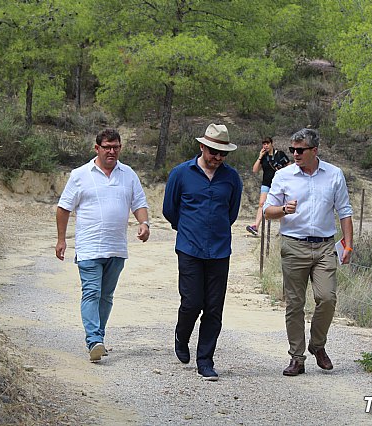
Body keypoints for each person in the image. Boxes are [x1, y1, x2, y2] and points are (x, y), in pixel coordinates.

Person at [263, 127, 353, 376]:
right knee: (295, 303)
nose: (295, 154)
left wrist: (348, 244)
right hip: (294, 245)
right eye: (292, 149)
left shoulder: (334, 174)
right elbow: (267, 211)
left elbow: (344, 211)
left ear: (314, 150)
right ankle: (297, 358)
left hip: (325, 246)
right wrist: (284, 209)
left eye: (300, 150)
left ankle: (317, 345)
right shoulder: (283, 176)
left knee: (327, 298)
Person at [55, 128, 150, 363]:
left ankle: (99, 338)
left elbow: (139, 202)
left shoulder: (128, 174)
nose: (111, 151)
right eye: (107, 147)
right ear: (97, 148)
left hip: (116, 247)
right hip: (89, 247)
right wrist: (61, 239)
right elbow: (64, 208)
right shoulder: (80, 175)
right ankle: (94, 340)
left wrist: (144, 223)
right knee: (91, 292)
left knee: (106, 296)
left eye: (115, 147)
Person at [162, 123, 243, 381]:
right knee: (192, 302)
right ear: (202, 147)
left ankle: (205, 361)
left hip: (219, 250)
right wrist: (189, 228)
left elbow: (231, 213)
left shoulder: (232, 178)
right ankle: (181, 335)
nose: (218, 157)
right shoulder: (180, 173)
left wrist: (214, 230)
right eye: (213, 152)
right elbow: (169, 209)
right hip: (189, 248)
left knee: (214, 308)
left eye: (223, 153)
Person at [246, 137, 289, 236]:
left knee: (280, 205)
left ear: (271, 144)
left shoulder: (280, 154)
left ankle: (283, 228)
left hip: (278, 184)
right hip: (266, 183)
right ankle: (256, 226)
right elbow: (255, 170)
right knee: (262, 204)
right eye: (264, 144)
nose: (266, 146)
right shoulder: (264, 156)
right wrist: (260, 157)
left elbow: (289, 166)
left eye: (267, 143)